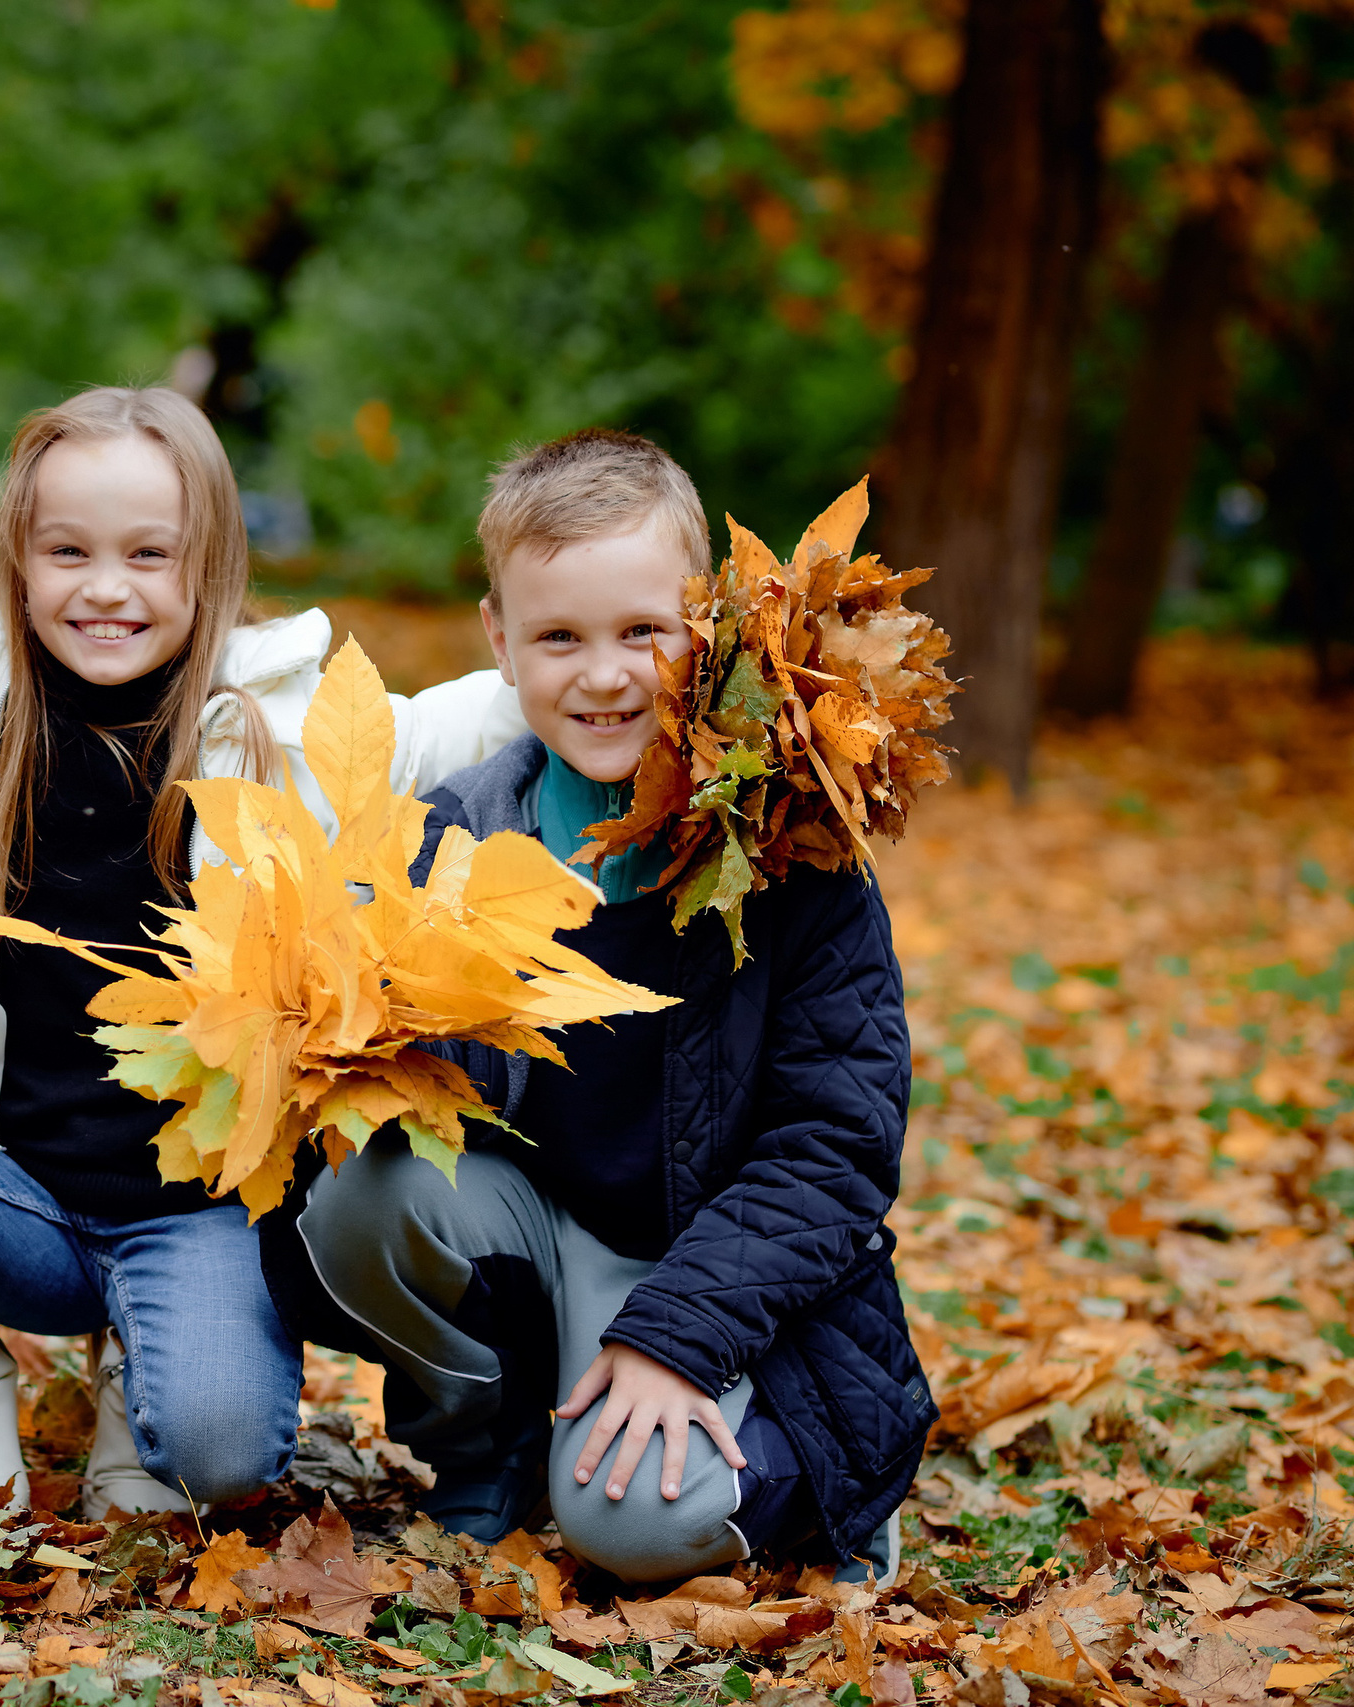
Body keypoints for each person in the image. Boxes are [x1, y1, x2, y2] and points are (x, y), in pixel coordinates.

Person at [0, 387, 522, 1518]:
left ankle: (145, 1367)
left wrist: (656, 661)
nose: (105, 587)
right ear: (18, 560)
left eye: (147, 553)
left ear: (209, 562)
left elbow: (470, 716)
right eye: (67, 552)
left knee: (216, 1457)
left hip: (193, 1206)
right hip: (1, 1186)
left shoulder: (280, 718)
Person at [264, 428, 931, 1582]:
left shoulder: (794, 850)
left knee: (631, 1526)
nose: (605, 674)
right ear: (500, 641)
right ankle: (489, 1448)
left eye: (642, 632)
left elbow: (834, 1147)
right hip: (543, 1238)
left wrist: (679, 1337)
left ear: (707, 626)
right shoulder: (450, 839)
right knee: (367, 1191)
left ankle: (810, 1480)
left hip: (730, 1269)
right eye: (559, 637)